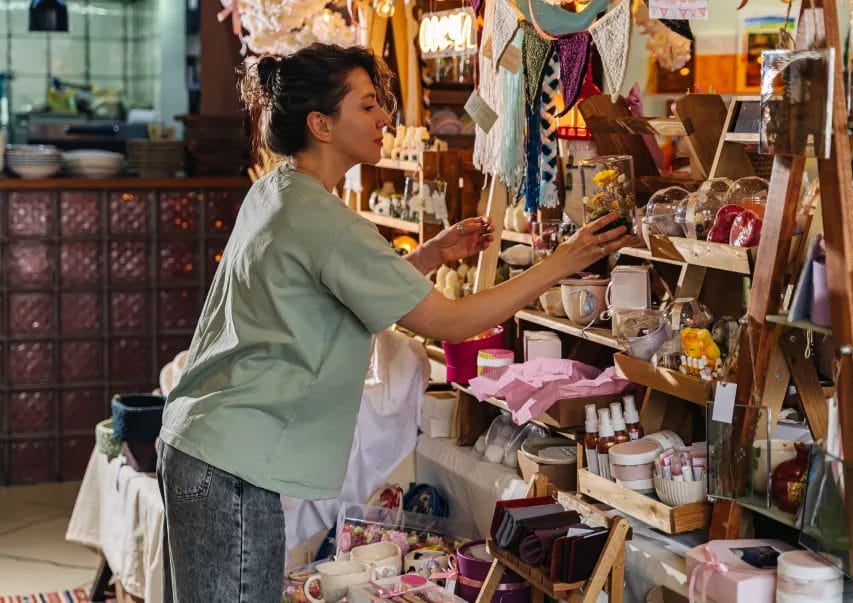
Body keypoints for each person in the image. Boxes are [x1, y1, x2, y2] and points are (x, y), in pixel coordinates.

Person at [158, 43, 632, 602]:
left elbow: (329, 290)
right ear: (321, 124)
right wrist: (561, 263)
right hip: (232, 467)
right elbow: (452, 323)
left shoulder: (279, 191)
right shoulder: (324, 219)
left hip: (203, 446)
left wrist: (429, 255)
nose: (385, 116)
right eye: (366, 106)